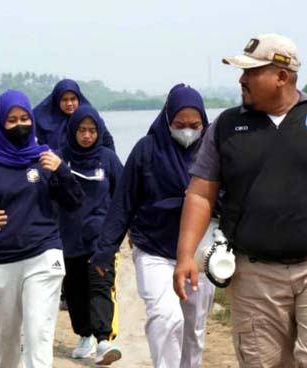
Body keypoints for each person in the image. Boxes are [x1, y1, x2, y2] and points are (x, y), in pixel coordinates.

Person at [173, 33, 307, 367]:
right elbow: (201, 194)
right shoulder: (226, 126)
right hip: (254, 273)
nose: (241, 79)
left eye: (251, 72)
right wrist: (185, 255)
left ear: (281, 76)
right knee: (262, 362)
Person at [92, 84, 214, 368]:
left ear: (204, 123)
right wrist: (105, 249)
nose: (187, 131)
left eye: (194, 125)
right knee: (166, 316)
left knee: (193, 328)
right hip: (155, 249)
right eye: (179, 124)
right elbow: (123, 201)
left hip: (199, 253)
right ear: (166, 119)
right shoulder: (147, 150)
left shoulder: (213, 151)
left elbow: (228, 195)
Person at [0, 89, 83, 368]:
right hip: (1, 260)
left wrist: (62, 170)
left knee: (38, 332)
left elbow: (74, 202)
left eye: (24, 118)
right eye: (12, 120)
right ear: (0, 123)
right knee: (5, 339)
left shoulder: (45, 157)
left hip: (44, 252)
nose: (20, 125)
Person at [57, 105, 123, 365]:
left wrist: (120, 233)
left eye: (92, 130)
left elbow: (123, 195)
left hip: (101, 240)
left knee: (100, 287)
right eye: (82, 130)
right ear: (73, 131)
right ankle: (84, 335)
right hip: (69, 239)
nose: (87, 136)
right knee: (74, 292)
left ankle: (104, 341)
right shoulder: (61, 158)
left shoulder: (107, 159)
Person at [33, 79, 115, 150]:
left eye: (73, 99)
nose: (69, 103)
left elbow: (107, 142)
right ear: (57, 101)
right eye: (64, 100)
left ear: (78, 99)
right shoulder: (45, 122)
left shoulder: (91, 118)